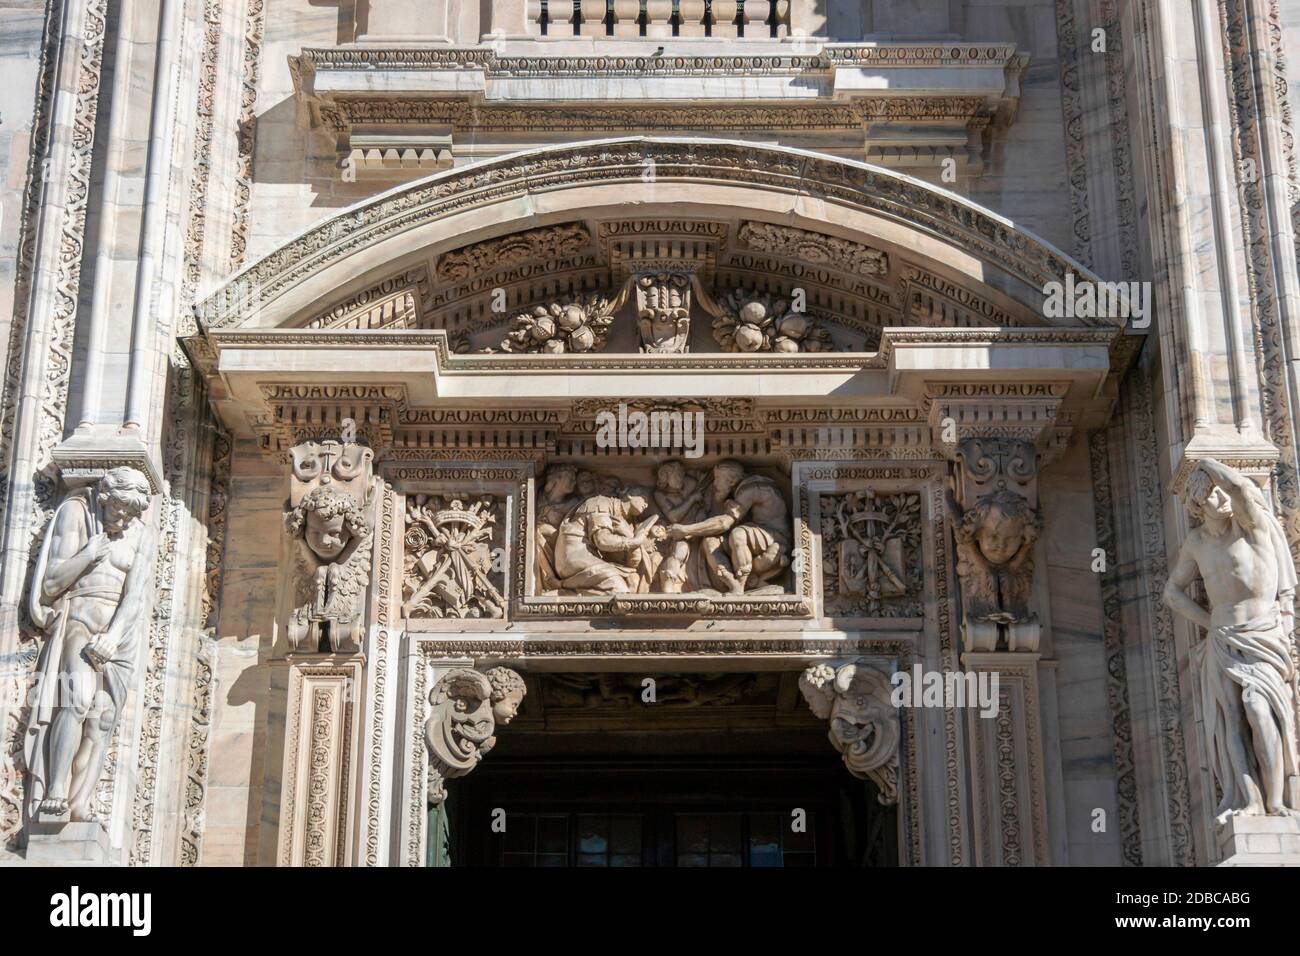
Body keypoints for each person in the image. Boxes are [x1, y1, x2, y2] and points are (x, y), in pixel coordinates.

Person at [1164, 458, 1300, 822]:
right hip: (1222, 638)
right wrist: (1209, 623)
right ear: (1195, 504)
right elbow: (1172, 593)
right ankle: (1249, 800)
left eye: (1221, 491)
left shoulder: (1249, 526)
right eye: (1210, 494)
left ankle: (1276, 801)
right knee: (1232, 718)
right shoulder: (1195, 543)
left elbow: (1241, 488)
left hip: (1261, 634)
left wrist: (1205, 464)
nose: (1222, 498)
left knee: (1259, 709)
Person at [25, 467, 155, 821]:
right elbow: (51, 584)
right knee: (78, 699)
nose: (124, 518)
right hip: (79, 618)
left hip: (118, 634)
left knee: (103, 718)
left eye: (131, 513)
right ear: (104, 498)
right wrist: (88, 554)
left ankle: (80, 802)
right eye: (118, 510)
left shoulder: (141, 534)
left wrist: (113, 637)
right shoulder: (76, 513)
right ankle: (54, 791)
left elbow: (136, 595)